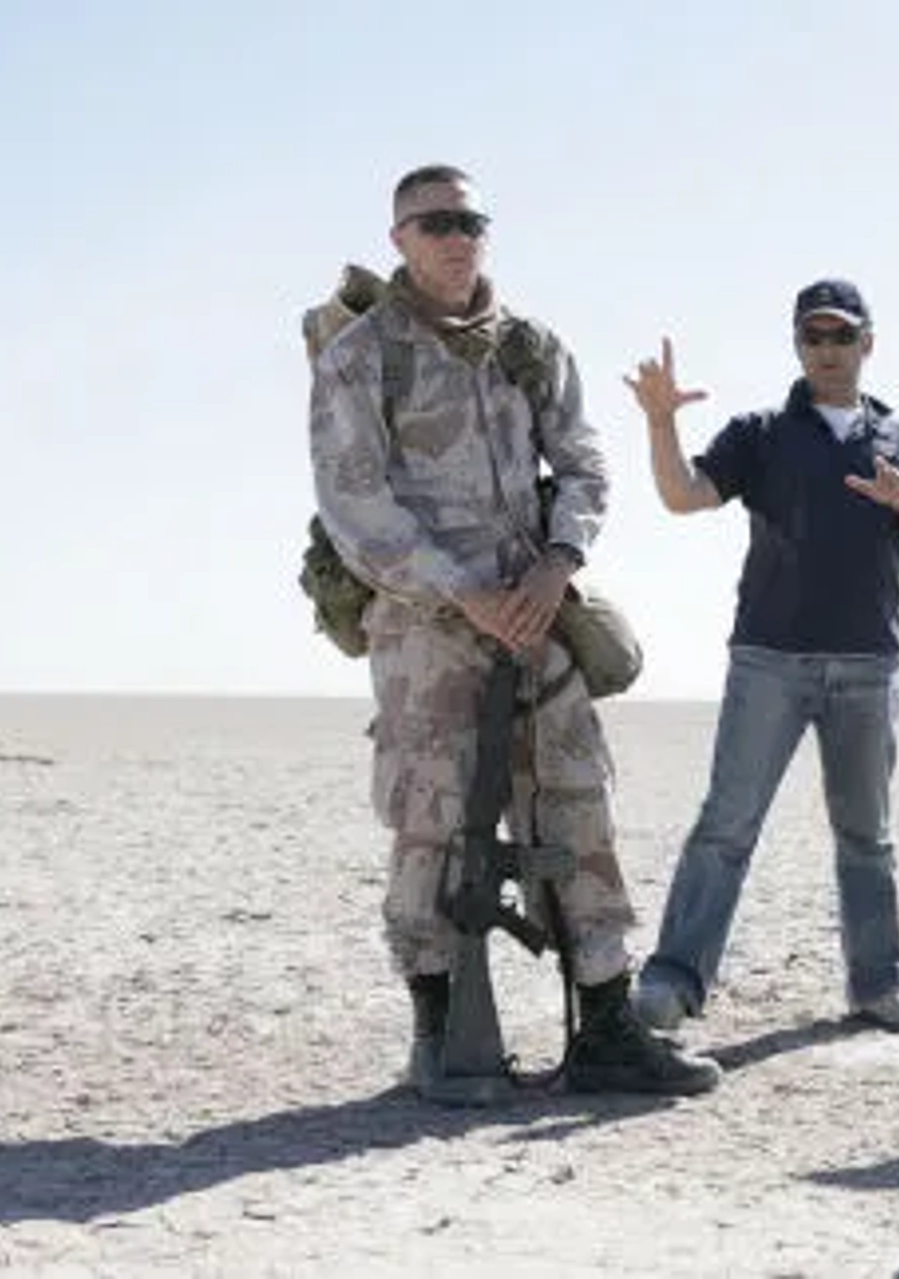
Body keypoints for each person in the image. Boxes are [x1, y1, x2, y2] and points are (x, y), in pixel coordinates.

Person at [308, 164, 720, 1101]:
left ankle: (607, 1029)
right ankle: (441, 1034)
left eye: (472, 221)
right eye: (437, 222)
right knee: (432, 820)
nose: (458, 237)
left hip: (537, 616)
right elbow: (354, 502)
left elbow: (583, 464)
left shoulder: (531, 347)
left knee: (576, 801)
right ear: (401, 238)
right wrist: (463, 591)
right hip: (425, 631)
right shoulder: (361, 357)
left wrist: (556, 562)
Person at [621, 279, 899, 1036]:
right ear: (798, 345)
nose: (828, 350)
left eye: (842, 336)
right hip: (769, 661)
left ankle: (879, 986)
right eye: (814, 337)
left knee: (866, 833)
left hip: (868, 665)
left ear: (867, 344)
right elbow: (683, 496)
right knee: (727, 825)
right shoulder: (762, 431)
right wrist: (659, 424)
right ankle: (672, 980)